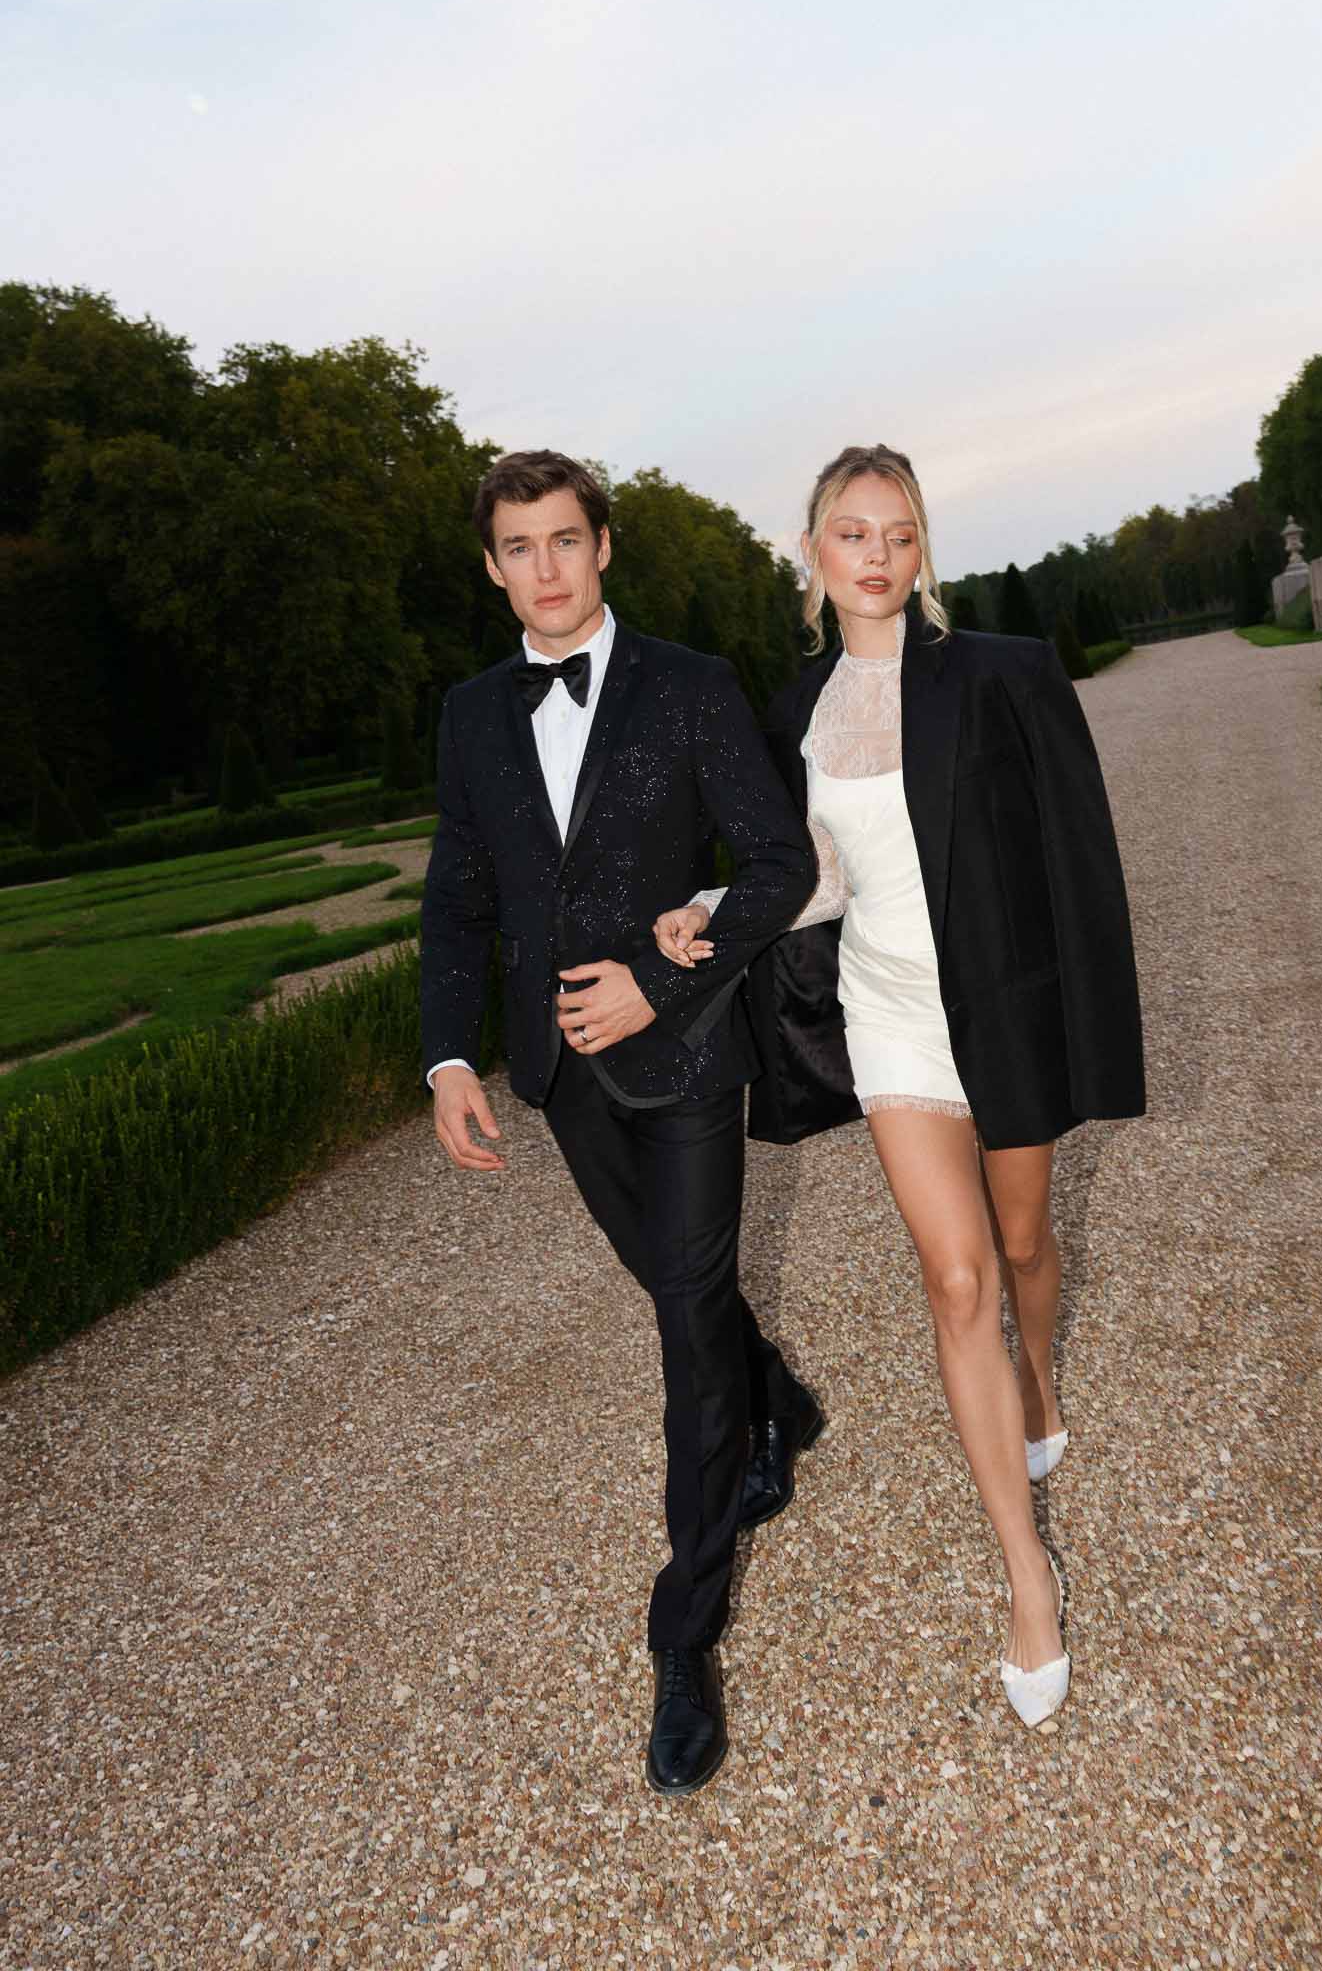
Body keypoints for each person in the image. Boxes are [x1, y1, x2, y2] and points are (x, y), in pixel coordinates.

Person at [652, 444, 1144, 1729]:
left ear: (922, 553)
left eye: (900, 532)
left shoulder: (1003, 675)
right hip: (891, 1023)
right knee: (956, 1274)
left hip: (1010, 1011)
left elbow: (1077, 859)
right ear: (811, 553)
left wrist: (1092, 1024)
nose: (876, 552)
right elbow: (807, 871)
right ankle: (1026, 1574)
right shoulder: (793, 711)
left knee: (1027, 1244)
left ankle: (1037, 1373)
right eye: (851, 531)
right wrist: (704, 907)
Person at [420, 450, 824, 1796]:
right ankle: (780, 1400)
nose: (545, 568)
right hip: (558, 1070)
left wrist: (660, 980)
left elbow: (779, 866)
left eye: (564, 541)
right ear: (493, 566)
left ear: (604, 548)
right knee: (679, 1287)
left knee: (679, 1324)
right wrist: (447, 1056)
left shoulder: (691, 686)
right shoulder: (471, 716)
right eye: (518, 548)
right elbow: (459, 902)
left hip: (690, 1056)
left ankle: (683, 1632)